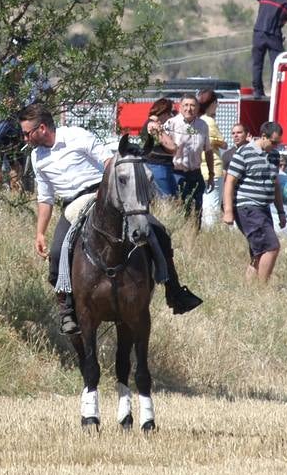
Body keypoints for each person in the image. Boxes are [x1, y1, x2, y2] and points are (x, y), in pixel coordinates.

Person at [20, 102, 201, 335]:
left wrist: (108, 190)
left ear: (42, 128)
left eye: (27, 133)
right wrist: (40, 232)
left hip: (101, 194)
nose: (25, 138)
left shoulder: (76, 135)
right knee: (57, 254)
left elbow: (109, 162)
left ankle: (174, 291)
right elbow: (45, 197)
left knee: (157, 230)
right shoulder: (37, 157)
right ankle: (67, 311)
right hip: (72, 206)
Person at [223, 120, 286, 284]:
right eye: (273, 142)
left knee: (258, 254)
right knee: (271, 247)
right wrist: (228, 211)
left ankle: (249, 291)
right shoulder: (244, 152)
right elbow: (230, 181)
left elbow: (275, 184)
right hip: (247, 208)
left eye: (278, 143)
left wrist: (281, 212)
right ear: (263, 137)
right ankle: (262, 289)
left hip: (264, 208)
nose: (276, 146)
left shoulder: (274, 155)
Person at [217, 0, 287, 98]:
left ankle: (258, 91)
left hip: (259, 34)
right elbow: (282, 22)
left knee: (257, 64)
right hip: (274, 36)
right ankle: (276, 92)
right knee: (277, 65)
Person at [158, 94, 214, 229]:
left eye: (193, 105)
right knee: (178, 209)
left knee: (196, 211)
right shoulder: (171, 124)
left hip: (195, 173)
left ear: (198, 107)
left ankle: (194, 239)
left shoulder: (203, 125)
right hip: (177, 173)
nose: (189, 109)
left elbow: (208, 151)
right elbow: (162, 147)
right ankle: (179, 239)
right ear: (180, 107)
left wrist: (211, 175)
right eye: (186, 105)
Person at [196, 88, 227, 228]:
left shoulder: (196, 121)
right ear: (213, 103)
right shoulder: (209, 121)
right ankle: (211, 234)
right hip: (213, 167)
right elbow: (223, 143)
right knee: (213, 205)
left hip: (199, 167)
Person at [140, 98, 178, 197]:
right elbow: (172, 147)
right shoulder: (153, 125)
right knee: (167, 198)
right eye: (171, 113)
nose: (172, 116)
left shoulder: (151, 123)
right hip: (158, 166)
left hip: (160, 166)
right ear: (164, 111)